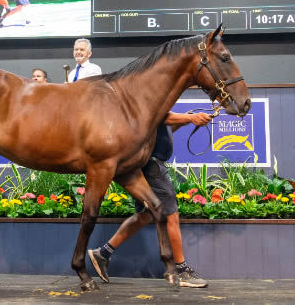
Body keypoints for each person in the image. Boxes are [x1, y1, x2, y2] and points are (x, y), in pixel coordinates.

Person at [88, 111, 212, 288]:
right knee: (171, 215)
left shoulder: (162, 102)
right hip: (152, 166)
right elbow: (160, 116)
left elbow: (163, 128)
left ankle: (103, 253)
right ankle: (181, 270)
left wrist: (186, 120)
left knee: (145, 215)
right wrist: (190, 118)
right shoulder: (156, 100)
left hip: (146, 165)